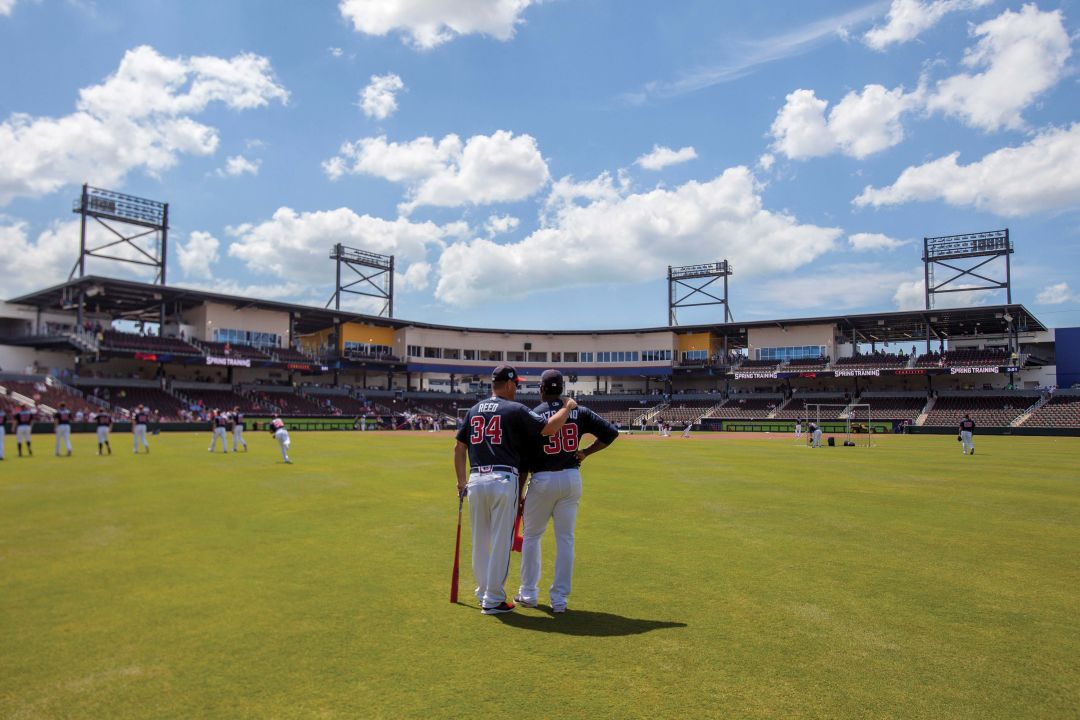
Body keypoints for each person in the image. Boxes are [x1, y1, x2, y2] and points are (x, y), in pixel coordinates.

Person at [454, 365, 575, 615]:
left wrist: (460, 482)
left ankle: (483, 590)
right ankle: (494, 599)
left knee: (480, 539)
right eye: (516, 384)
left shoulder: (474, 409)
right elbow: (549, 428)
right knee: (501, 541)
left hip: (476, 479)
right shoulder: (515, 409)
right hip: (502, 479)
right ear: (508, 384)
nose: (517, 388)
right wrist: (567, 408)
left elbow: (458, 448)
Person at [515, 369, 617, 614]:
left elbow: (523, 463)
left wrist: (519, 495)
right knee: (565, 540)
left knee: (532, 536)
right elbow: (611, 433)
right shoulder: (578, 411)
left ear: (541, 389)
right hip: (571, 478)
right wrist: (585, 452)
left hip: (542, 479)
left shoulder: (534, 414)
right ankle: (559, 600)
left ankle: (528, 593)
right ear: (561, 388)